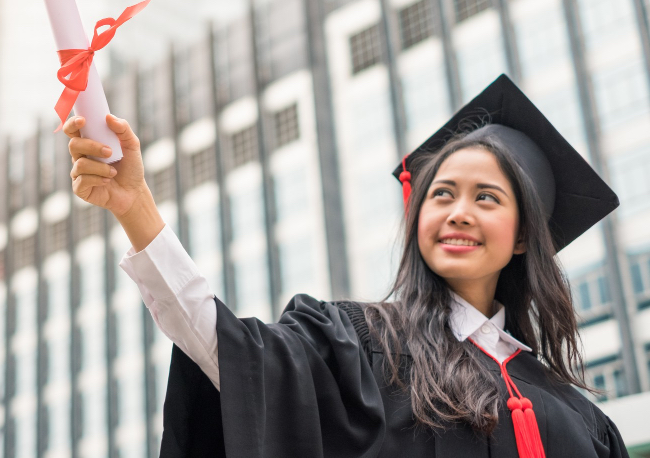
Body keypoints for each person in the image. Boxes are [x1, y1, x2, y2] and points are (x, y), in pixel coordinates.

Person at [63, 74, 630, 458]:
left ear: (525, 234)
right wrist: (136, 208)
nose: (458, 213)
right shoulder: (359, 347)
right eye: (441, 194)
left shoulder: (581, 418)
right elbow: (226, 350)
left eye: (486, 198)